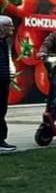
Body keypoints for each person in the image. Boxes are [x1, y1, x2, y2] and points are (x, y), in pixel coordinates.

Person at [0, 15, 14, 152]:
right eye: (10, 25)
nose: (13, 28)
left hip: (3, 81)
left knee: (2, 111)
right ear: (2, 28)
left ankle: (1, 140)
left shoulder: (4, 42)